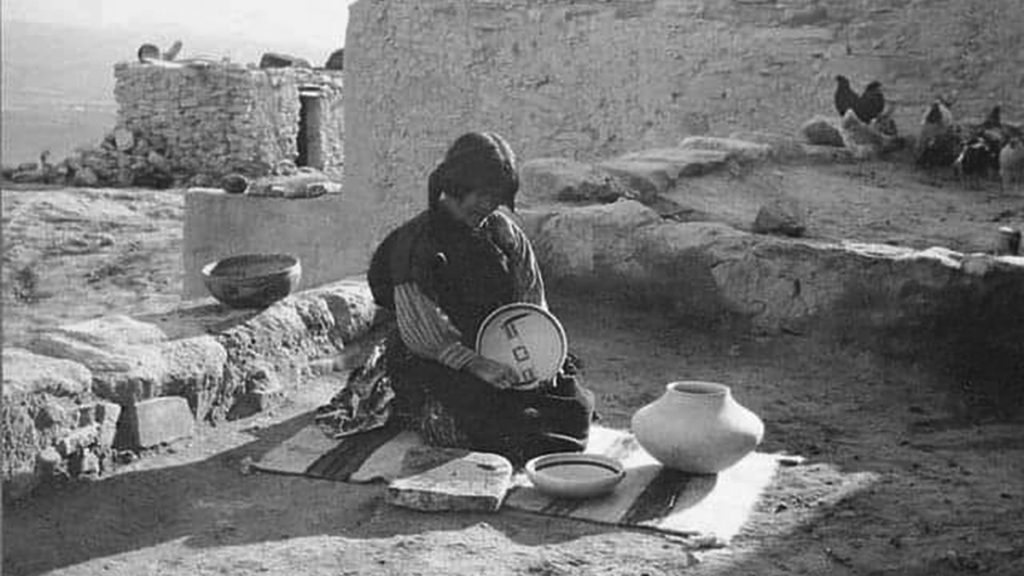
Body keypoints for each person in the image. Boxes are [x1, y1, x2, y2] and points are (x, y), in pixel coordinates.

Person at [316, 131, 595, 466]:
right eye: (483, 195)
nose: (489, 206)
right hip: (438, 357)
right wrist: (476, 364)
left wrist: (541, 353)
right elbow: (421, 331)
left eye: (496, 198)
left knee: (574, 405)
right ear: (456, 185)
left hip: (503, 346)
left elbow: (530, 298)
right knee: (483, 418)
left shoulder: (501, 231)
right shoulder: (415, 245)